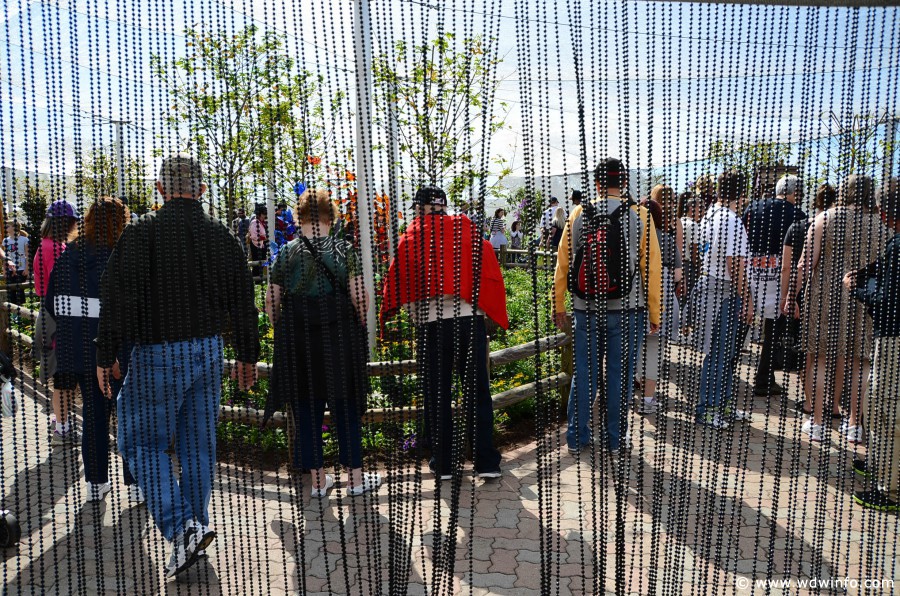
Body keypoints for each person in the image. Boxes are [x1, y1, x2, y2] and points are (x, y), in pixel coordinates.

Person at [96, 154, 259, 577]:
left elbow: (118, 295)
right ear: (202, 190)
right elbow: (243, 297)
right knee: (198, 447)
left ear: (160, 189)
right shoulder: (222, 236)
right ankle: (193, 533)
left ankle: (181, 526)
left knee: (138, 443)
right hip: (209, 352)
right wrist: (247, 353)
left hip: (158, 353)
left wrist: (105, 351)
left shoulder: (141, 233)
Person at [381, 186, 508, 480]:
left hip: (432, 324)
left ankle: (445, 463)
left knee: (437, 393)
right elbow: (487, 260)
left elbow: (399, 277)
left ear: (421, 207)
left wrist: (413, 314)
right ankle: (486, 461)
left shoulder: (412, 236)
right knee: (477, 391)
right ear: (444, 206)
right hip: (468, 320)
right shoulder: (468, 231)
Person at [263, 189, 380, 498]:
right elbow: (359, 297)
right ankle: (355, 480)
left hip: (299, 342)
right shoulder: (344, 250)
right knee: (346, 405)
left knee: (306, 408)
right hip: (339, 339)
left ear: (299, 217)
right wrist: (358, 325)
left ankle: (318, 483)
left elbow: (271, 300)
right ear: (332, 216)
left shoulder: (287, 253)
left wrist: (283, 328)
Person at [553, 158, 661, 455]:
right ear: (623, 182)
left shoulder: (578, 213)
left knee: (584, 373)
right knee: (620, 375)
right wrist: (654, 311)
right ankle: (615, 440)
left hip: (584, 308)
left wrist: (558, 303)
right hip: (628, 310)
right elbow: (651, 267)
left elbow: (563, 263)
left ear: (597, 183)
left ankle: (577, 438)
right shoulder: (639, 214)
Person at [44, 197, 141, 502]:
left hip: (78, 353)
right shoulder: (120, 255)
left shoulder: (68, 254)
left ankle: (95, 485)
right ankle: (136, 484)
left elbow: (50, 304)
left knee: (93, 416)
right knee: (128, 418)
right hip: (117, 354)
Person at [785, 175, 892, 443]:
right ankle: (855, 424)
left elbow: (804, 264)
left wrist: (791, 296)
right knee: (862, 361)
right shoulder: (884, 225)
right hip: (865, 300)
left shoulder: (825, 219)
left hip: (825, 298)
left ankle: (818, 422)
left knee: (820, 359)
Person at [682, 171, 755, 429]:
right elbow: (733, 263)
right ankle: (708, 409)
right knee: (719, 354)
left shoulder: (711, 214)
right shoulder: (731, 219)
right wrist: (746, 298)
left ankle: (721, 404)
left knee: (725, 353)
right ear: (741, 193)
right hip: (723, 290)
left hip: (711, 286)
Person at [844, 178, 900, 511]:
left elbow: (885, 301)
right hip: (891, 337)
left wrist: (855, 289)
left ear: (883, 211)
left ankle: (890, 490)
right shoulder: (894, 244)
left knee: (887, 407)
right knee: (877, 402)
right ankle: (881, 461)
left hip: (893, 338)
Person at [742, 175, 807, 397]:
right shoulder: (798, 216)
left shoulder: (753, 207)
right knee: (773, 329)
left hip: (751, 269)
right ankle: (763, 379)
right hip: (780, 274)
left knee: (743, 320)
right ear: (794, 193)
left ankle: (725, 370)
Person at [780, 184, 837, 390]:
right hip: (832, 293)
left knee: (808, 351)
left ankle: (810, 401)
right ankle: (832, 401)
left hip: (803, 293)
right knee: (831, 352)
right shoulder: (842, 227)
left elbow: (787, 267)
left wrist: (787, 296)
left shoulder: (797, 227)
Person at [33, 200, 79, 444]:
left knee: (63, 375)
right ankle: (62, 428)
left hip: (50, 314)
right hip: (59, 317)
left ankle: (61, 421)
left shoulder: (45, 245)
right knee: (64, 376)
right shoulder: (56, 249)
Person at [635, 186, 683, 414]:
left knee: (633, 349)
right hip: (662, 301)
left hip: (635, 302)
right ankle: (647, 400)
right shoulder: (666, 239)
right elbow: (678, 275)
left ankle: (631, 392)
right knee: (653, 352)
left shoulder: (633, 239)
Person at [678, 191, 702, 296]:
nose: (703, 211)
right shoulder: (693, 225)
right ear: (692, 209)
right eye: (700, 208)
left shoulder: (680, 221)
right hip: (688, 267)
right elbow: (694, 251)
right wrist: (699, 269)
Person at [3, 221, 29, 305]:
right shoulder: (5, 240)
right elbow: (5, 256)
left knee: (20, 290)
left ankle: (22, 310)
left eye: (8, 226)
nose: (6, 227)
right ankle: (14, 313)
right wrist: (4, 269)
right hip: (10, 269)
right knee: (11, 291)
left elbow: (27, 255)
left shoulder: (24, 239)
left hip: (21, 269)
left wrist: (27, 268)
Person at [248, 203, 269, 276]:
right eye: (263, 214)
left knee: (261, 264)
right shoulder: (254, 222)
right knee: (256, 265)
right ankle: (256, 281)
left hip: (261, 245)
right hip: (255, 245)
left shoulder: (262, 223)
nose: (265, 216)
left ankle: (260, 279)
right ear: (259, 214)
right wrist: (265, 238)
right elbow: (254, 236)